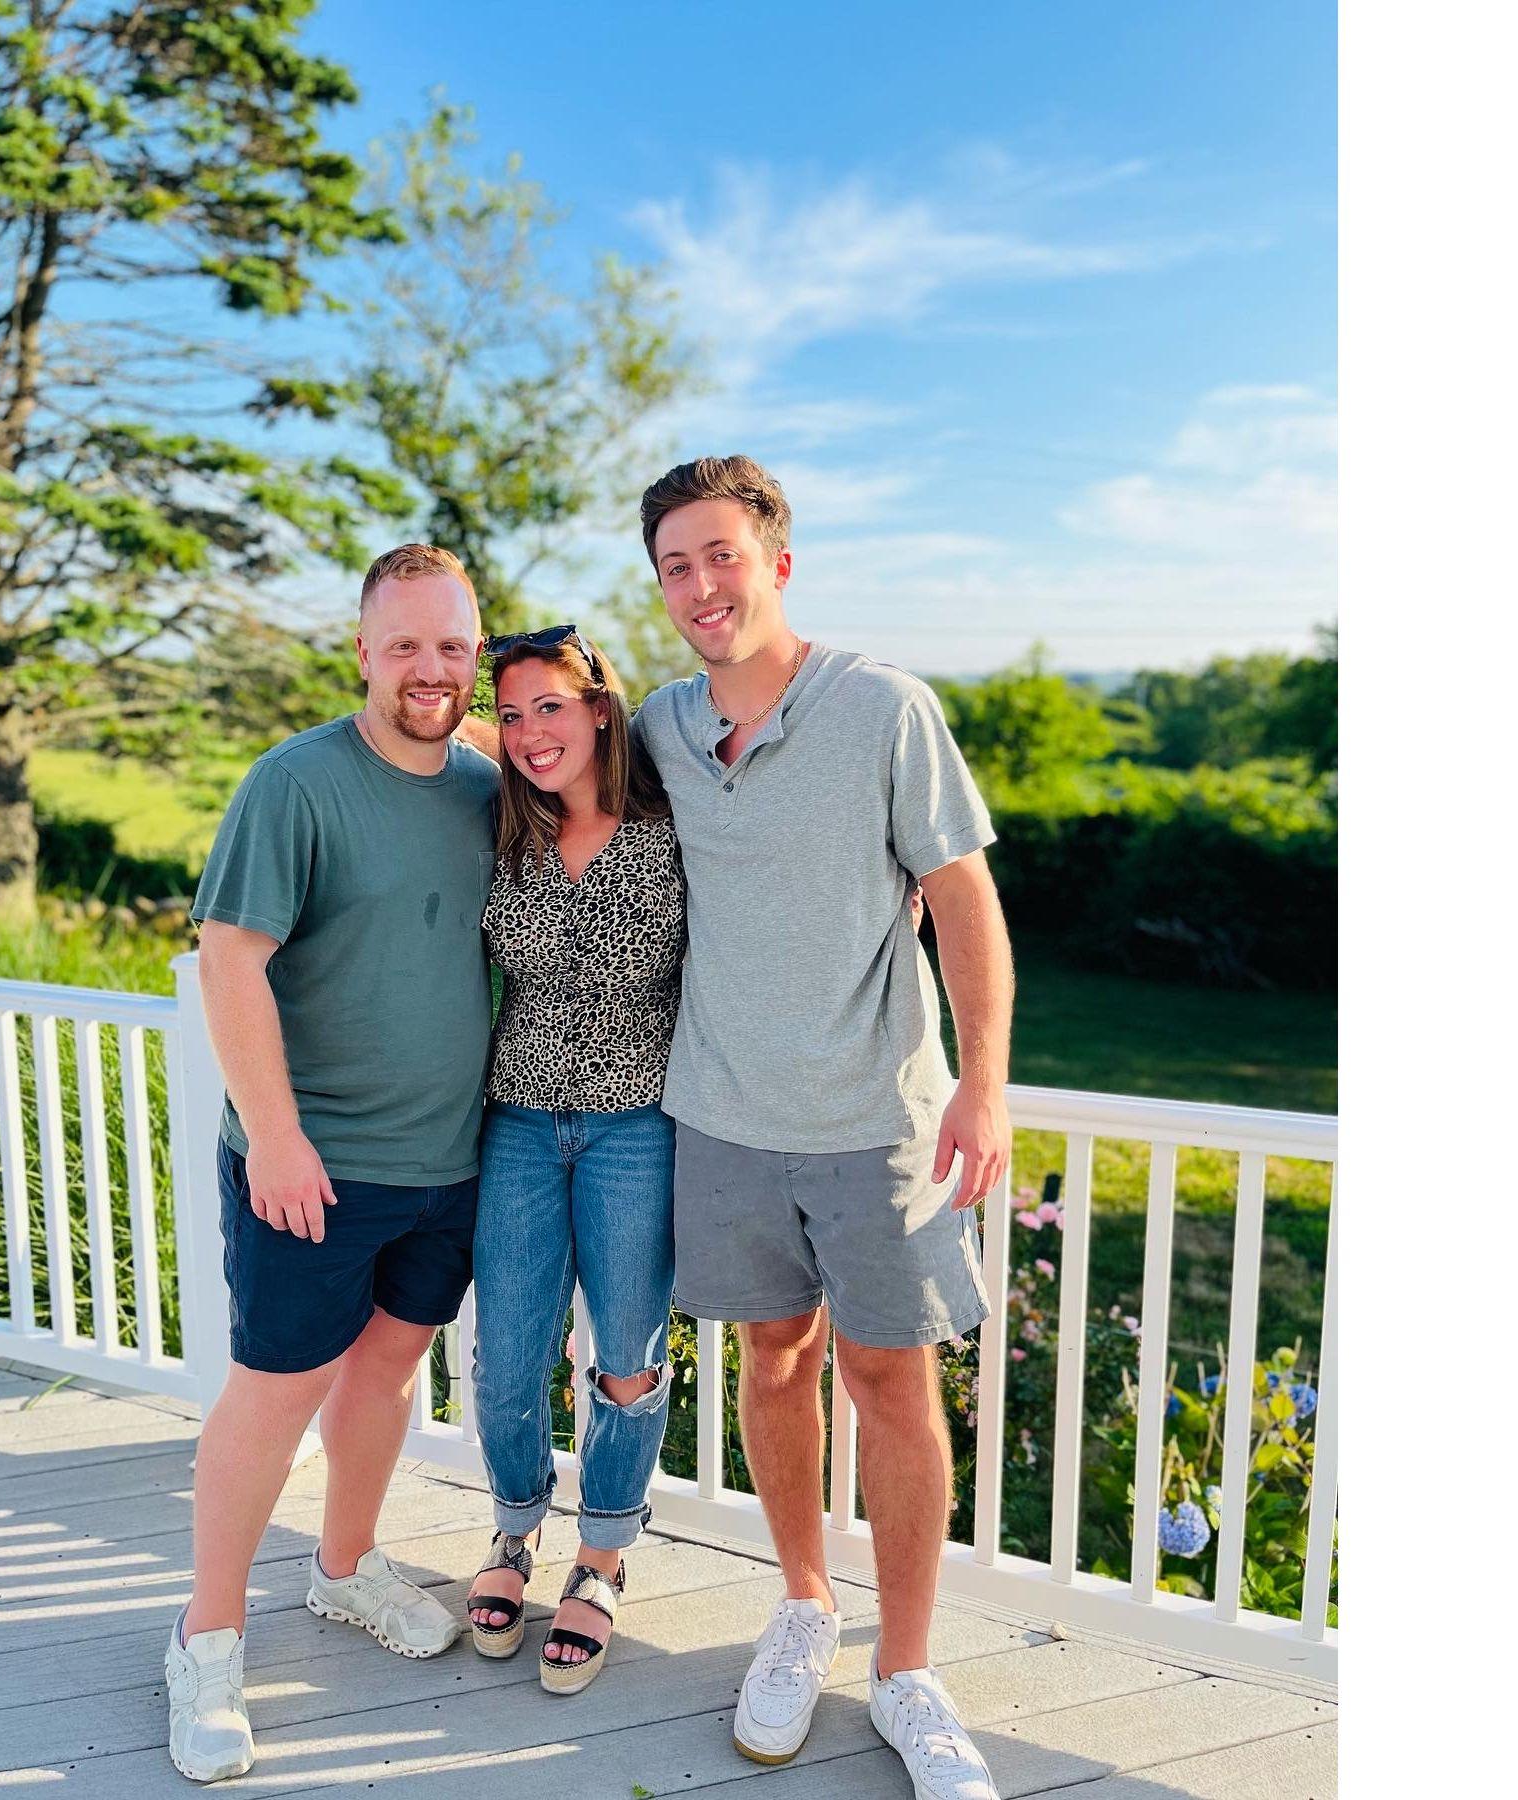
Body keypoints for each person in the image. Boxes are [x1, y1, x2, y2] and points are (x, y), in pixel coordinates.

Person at [632, 457, 1014, 1800]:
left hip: (877, 1120)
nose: (699, 586)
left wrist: (984, 1081)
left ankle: (906, 1672)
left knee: (892, 1387)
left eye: (720, 556)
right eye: (674, 564)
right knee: (775, 1370)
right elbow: (542, 759)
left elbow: (962, 897)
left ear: (776, 564)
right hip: (724, 1116)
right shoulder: (661, 731)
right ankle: (802, 1610)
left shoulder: (882, 710)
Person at [165, 544, 498, 1784]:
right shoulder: (295, 783)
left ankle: (347, 1567)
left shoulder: (487, 789)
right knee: (276, 1389)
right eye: (404, 644)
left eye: (452, 645)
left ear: (477, 650)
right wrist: (283, 1135)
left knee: (389, 1370)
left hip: (447, 1160)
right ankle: (208, 1634)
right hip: (312, 1164)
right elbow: (230, 958)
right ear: (362, 650)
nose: (429, 668)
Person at [462, 625, 686, 1696]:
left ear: (601, 707)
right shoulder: (501, 826)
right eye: (509, 714)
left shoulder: (672, 823)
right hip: (515, 1124)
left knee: (628, 1360)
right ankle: (511, 1539)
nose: (528, 732)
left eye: (550, 706)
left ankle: (601, 1559)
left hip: (636, 1125)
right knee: (507, 1356)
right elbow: (423, 737)